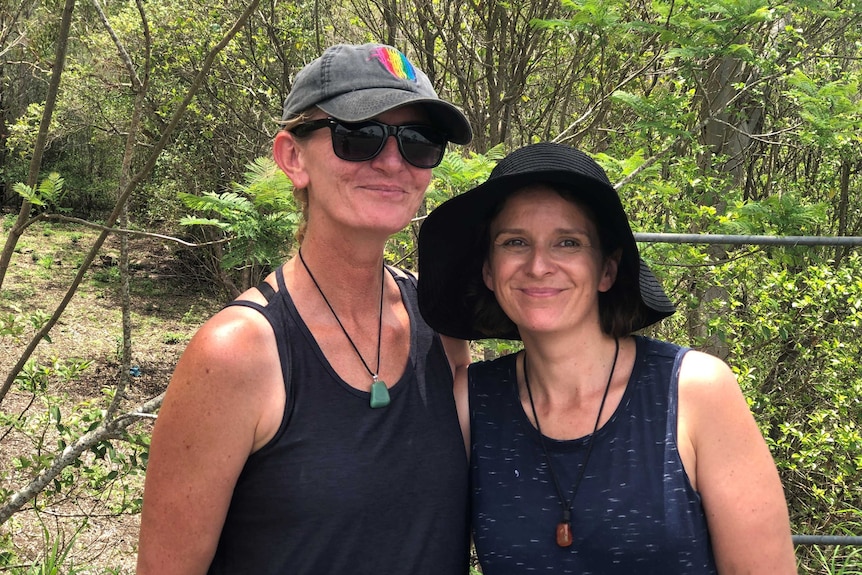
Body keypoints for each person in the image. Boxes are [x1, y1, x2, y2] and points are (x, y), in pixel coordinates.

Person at [136, 43, 473, 575]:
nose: (392, 162)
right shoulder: (238, 353)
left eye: (419, 142)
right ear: (293, 157)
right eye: (358, 136)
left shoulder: (442, 323)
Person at [417, 143, 797, 574]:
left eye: (568, 242)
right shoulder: (474, 400)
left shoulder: (693, 391)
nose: (539, 265)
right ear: (488, 270)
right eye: (515, 241)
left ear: (607, 270)